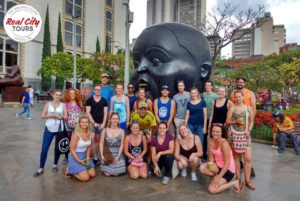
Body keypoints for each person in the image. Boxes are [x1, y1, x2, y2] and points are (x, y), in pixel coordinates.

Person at [131, 23, 212, 99]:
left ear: (203, 70)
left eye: (156, 61)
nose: (140, 68)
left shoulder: (208, 101)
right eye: (136, 63)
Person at [200, 124, 243, 194]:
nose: (215, 133)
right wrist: (214, 171)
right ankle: (216, 175)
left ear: (221, 133)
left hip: (228, 170)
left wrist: (218, 177)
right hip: (218, 167)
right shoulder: (211, 141)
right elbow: (211, 158)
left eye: (217, 132)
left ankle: (234, 183)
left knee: (212, 190)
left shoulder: (224, 143)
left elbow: (227, 163)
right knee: (202, 168)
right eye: (213, 131)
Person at [33, 89, 68, 177]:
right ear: (53, 95)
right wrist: (53, 115)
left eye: (60, 95)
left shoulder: (62, 105)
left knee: (57, 147)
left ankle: (55, 164)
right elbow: (42, 116)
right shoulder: (48, 104)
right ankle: (41, 167)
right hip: (49, 128)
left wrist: (59, 116)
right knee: (45, 147)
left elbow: (66, 116)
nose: (58, 96)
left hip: (59, 129)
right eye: (56, 95)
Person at [226, 91, 255, 190]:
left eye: (239, 96)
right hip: (234, 135)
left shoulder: (249, 108)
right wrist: (235, 121)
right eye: (236, 97)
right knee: (236, 158)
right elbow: (227, 122)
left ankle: (247, 181)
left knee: (248, 158)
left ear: (243, 97)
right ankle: (238, 178)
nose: (238, 98)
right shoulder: (232, 108)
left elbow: (251, 122)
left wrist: (249, 130)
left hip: (245, 135)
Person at [230, 77, 256, 177]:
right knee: (236, 149)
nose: (240, 83)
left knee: (247, 152)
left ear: (244, 83)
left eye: (241, 82)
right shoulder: (233, 93)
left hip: (246, 125)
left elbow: (253, 109)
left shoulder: (250, 93)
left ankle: (249, 168)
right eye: (238, 82)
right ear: (236, 83)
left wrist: (250, 125)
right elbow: (231, 106)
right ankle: (239, 167)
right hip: (235, 125)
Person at [65, 115, 96, 181]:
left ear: (88, 123)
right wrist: (79, 161)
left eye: (86, 122)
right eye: (82, 122)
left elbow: (88, 147)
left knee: (92, 174)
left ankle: (82, 169)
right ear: (79, 123)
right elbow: (72, 150)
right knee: (85, 178)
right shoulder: (76, 135)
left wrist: (87, 158)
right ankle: (70, 171)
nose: (84, 124)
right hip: (75, 157)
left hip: (84, 156)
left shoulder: (89, 133)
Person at [86, 84, 108, 166]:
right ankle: (95, 158)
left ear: (101, 91)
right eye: (96, 89)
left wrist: (103, 123)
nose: (97, 91)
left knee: (100, 140)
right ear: (94, 90)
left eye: (99, 89)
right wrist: (93, 123)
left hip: (101, 123)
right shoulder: (89, 100)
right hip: (92, 123)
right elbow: (87, 112)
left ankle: (100, 156)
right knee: (92, 140)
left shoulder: (104, 100)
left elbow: (105, 113)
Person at [63, 88, 84, 163]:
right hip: (68, 125)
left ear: (76, 95)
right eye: (70, 93)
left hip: (77, 126)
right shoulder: (66, 104)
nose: (72, 95)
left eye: (73, 93)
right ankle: (67, 156)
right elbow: (65, 115)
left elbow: (82, 114)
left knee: (76, 141)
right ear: (68, 95)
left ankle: (76, 155)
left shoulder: (79, 103)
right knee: (68, 141)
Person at [202, 80, 218, 161]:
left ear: (212, 86)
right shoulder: (202, 95)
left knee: (213, 138)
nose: (207, 86)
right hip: (203, 119)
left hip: (212, 120)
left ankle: (214, 156)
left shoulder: (215, 96)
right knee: (203, 138)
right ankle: (204, 155)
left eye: (209, 85)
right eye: (206, 85)